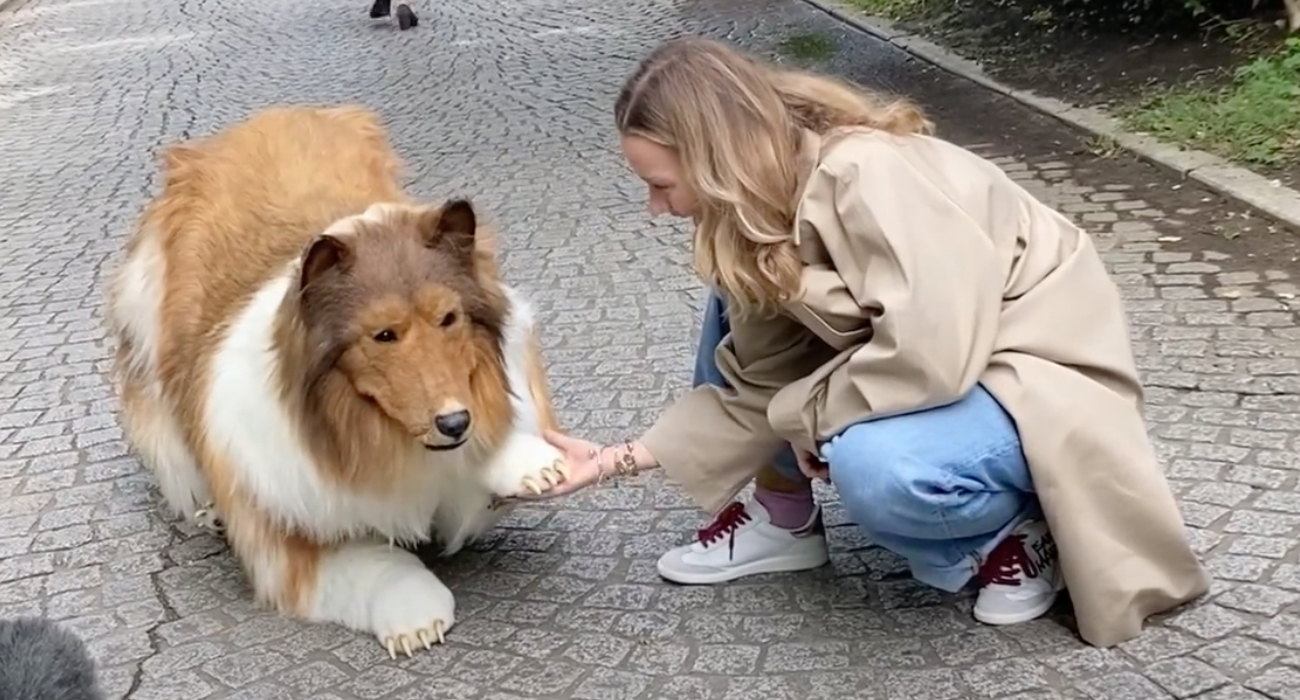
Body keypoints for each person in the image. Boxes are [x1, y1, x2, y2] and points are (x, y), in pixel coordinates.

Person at [535, 36, 1210, 647]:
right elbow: (756, 382)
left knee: (876, 467)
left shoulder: (867, 174)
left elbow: (931, 356)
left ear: (714, 159)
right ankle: (782, 514)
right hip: (946, 365)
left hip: (1033, 371)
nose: (657, 208)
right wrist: (611, 461)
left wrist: (812, 416)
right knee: (733, 294)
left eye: (661, 185)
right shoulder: (752, 212)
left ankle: (1019, 530)